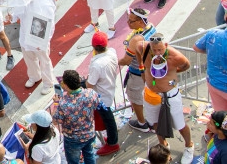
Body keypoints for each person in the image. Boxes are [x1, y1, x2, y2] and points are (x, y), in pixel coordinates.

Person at [134, 33, 195, 164]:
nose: (157, 52)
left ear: (166, 46)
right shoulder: (143, 47)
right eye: (154, 50)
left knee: (179, 124)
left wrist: (172, 72)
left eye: (160, 49)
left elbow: (186, 65)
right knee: (155, 123)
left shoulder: (176, 57)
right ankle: (164, 147)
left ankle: (189, 146)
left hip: (170, 95)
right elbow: (136, 48)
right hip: (151, 95)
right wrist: (141, 68)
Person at [10, 0, 56, 94]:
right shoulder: (22, 2)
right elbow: (16, 14)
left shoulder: (44, 6)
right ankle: (34, 76)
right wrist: (10, 16)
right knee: (29, 58)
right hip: (25, 36)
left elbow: (50, 24)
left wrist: (45, 40)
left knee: (44, 61)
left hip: (39, 39)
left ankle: (48, 83)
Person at [52, 69, 100, 164]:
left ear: (65, 85)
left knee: (73, 161)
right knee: (89, 155)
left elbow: (55, 120)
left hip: (73, 139)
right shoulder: (91, 94)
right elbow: (96, 104)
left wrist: (56, 103)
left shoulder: (63, 103)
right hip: (89, 133)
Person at [86, 31, 120, 156]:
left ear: (93, 47)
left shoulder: (97, 64)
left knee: (108, 119)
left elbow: (90, 84)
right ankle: (112, 138)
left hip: (101, 97)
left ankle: (113, 143)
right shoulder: (112, 53)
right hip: (108, 90)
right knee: (108, 119)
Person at [194, 27, 227, 111]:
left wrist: (212, 51)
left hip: (214, 84)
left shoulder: (213, 34)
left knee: (220, 118)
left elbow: (196, 47)